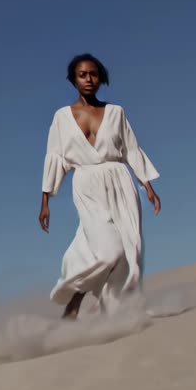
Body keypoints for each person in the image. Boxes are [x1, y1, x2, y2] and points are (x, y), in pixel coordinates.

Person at [38, 53, 162, 319]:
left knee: (129, 249)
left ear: (100, 78)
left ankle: (111, 310)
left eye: (93, 74)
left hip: (120, 182)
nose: (89, 79)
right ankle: (74, 301)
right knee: (107, 251)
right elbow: (55, 157)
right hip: (86, 184)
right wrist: (45, 200)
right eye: (82, 75)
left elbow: (131, 149)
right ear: (73, 79)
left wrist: (147, 186)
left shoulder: (116, 112)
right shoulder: (62, 117)